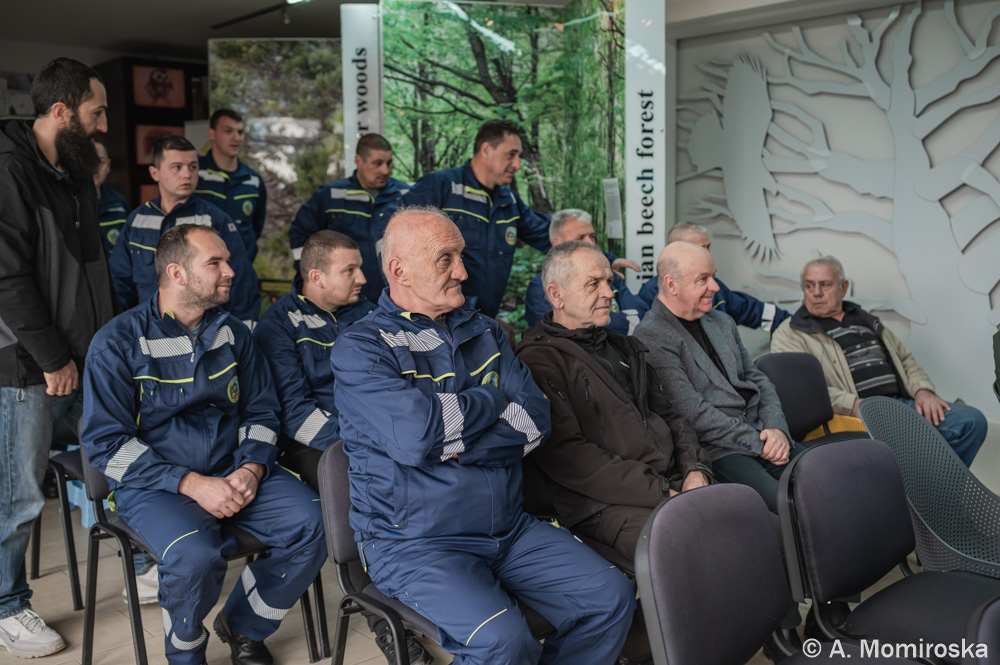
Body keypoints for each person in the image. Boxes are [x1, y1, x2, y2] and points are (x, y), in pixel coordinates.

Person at [331, 206, 635, 665]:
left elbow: (535, 422)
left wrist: (453, 444)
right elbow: (418, 436)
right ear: (399, 270)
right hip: (416, 545)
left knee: (610, 597)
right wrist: (492, 401)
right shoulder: (361, 347)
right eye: (445, 259)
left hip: (508, 529)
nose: (463, 271)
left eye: (461, 256)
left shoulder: (486, 331)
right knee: (503, 642)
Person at [82, 224, 326, 665]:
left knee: (316, 522)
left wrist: (251, 468)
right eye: (215, 263)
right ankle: (186, 652)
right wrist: (191, 484)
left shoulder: (235, 334)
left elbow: (262, 414)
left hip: (235, 471)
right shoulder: (116, 343)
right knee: (195, 556)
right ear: (177, 273)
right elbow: (106, 445)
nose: (231, 271)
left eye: (227, 260)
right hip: (156, 486)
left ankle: (244, 626)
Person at [253, 231, 431, 665]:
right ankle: (385, 622)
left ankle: (429, 596)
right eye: (349, 270)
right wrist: (364, 444)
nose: (362, 278)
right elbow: (296, 415)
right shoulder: (279, 326)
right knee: (358, 495)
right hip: (316, 445)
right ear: (316, 277)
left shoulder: (370, 314)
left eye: (360, 267)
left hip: (382, 435)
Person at [0, 57, 116, 658]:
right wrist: (51, 358)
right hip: (27, 366)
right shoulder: (10, 169)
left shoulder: (73, 173)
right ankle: (6, 606)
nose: (104, 125)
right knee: (19, 494)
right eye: (97, 112)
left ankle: (145, 558)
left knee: (120, 453)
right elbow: (8, 278)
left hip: (84, 358)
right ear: (62, 111)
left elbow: (91, 273)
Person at [517, 240, 711, 556]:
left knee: (760, 525)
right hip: (604, 505)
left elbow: (672, 416)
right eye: (593, 284)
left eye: (608, 281)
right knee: (701, 548)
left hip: (673, 483)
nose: (609, 292)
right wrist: (665, 492)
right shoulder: (538, 360)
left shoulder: (623, 347)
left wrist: (696, 469)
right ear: (557, 295)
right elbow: (569, 457)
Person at [634, 242, 804, 512]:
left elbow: (758, 380)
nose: (715, 286)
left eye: (713, 276)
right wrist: (759, 443)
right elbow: (692, 413)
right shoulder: (651, 335)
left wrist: (776, 428)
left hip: (766, 435)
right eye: (703, 279)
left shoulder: (722, 321)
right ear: (671, 284)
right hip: (718, 449)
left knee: (826, 477)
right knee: (786, 505)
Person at [771, 255, 987, 467]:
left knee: (970, 422)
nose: (816, 292)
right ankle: (924, 487)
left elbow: (905, 359)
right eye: (809, 285)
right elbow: (801, 392)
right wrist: (853, 405)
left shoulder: (866, 319)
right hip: (853, 414)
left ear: (843, 287)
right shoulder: (790, 333)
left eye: (825, 284)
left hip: (900, 402)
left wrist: (923, 391)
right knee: (913, 445)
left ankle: (931, 488)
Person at [398, 119, 552, 318]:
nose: (517, 165)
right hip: (437, 320)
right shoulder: (441, 186)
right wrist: (408, 306)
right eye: (510, 155)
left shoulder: (510, 201)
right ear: (486, 150)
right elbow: (392, 236)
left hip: (483, 319)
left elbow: (549, 235)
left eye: (518, 156)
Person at [110, 135, 261, 328]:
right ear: (155, 173)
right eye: (177, 167)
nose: (187, 174)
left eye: (193, 167)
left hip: (203, 331)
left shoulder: (214, 219)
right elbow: (120, 281)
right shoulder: (137, 219)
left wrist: (244, 332)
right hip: (148, 328)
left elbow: (240, 280)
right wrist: (128, 326)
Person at [289, 133, 407, 303]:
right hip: (345, 302)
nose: (385, 170)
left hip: (394, 300)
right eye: (377, 163)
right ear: (359, 161)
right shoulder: (331, 196)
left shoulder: (405, 195)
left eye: (389, 163)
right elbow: (300, 234)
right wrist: (309, 276)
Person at [638, 222, 790, 333]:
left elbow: (750, 309)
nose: (707, 254)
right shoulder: (651, 293)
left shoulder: (716, 288)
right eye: (699, 248)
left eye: (708, 247)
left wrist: (794, 323)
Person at [523, 210, 648, 334]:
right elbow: (559, 332)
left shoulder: (609, 275)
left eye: (592, 236)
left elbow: (643, 313)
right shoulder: (541, 287)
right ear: (557, 245)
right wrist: (628, 322)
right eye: (580, 238)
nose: (590, 243)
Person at [195, 109, 267, 260]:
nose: (236, 138)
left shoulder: (253, 180)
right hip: (202, 266)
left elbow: (256, 227)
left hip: (242, 267)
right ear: (211, 134)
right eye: (228, 131)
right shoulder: (195, 175)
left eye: (240, 132)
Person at [93, 136, 130, 257]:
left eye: (100, 161)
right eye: (89, 161)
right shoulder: (67, 202)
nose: (94, 168)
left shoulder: (119, 203)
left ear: (108, 165)